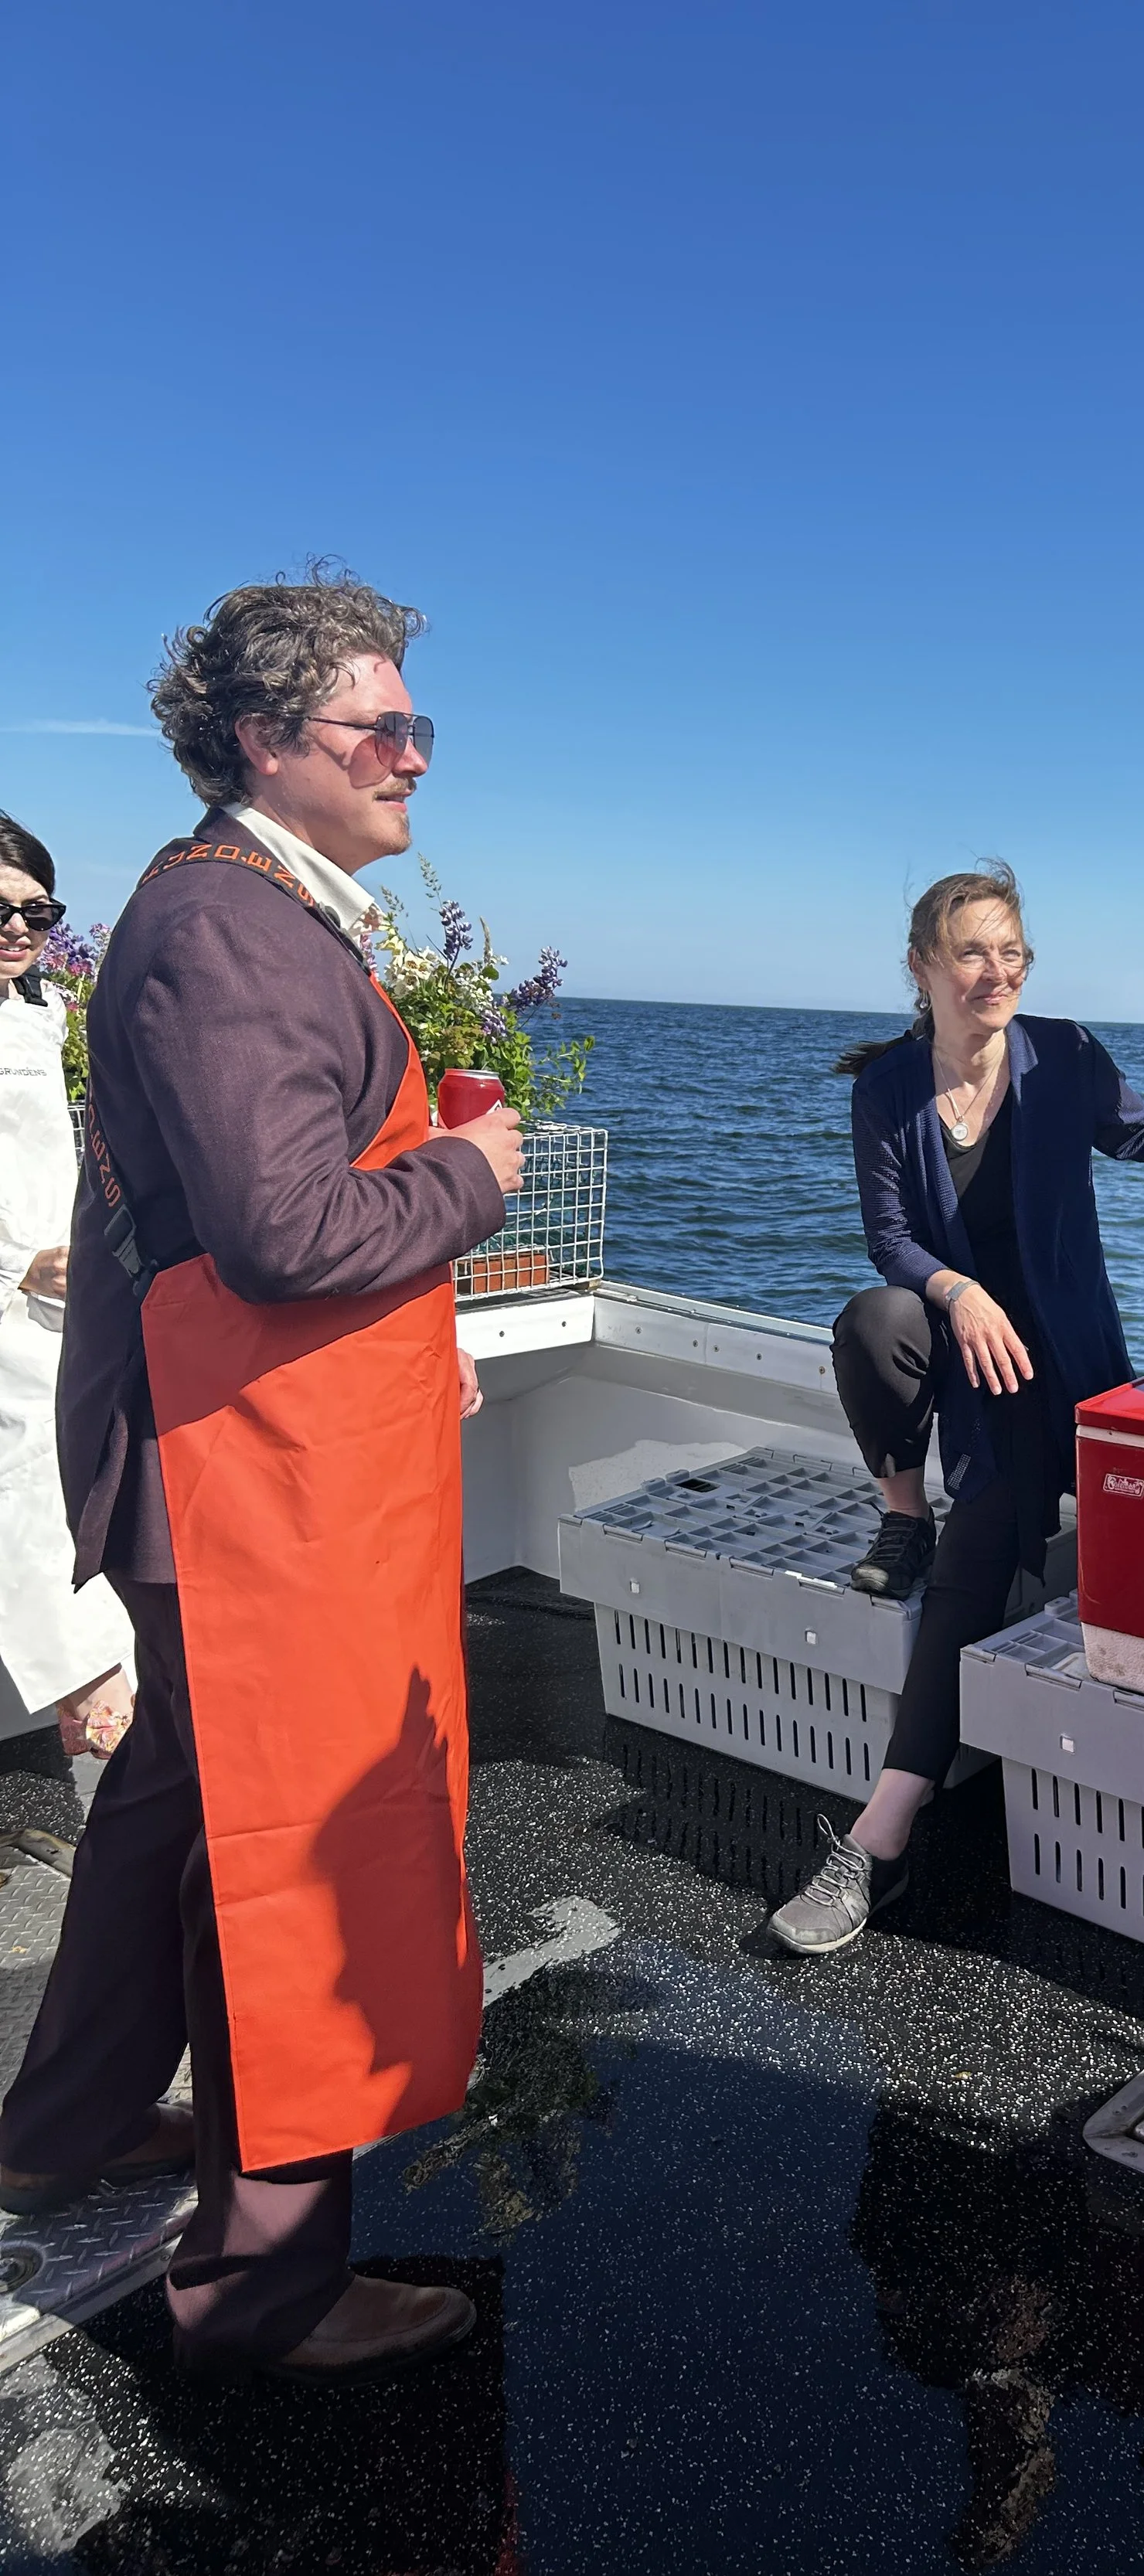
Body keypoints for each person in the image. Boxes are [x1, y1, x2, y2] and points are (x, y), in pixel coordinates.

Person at [0, 568, 526, 2384]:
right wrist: (482, 1171)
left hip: (225, 1465)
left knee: (168, 1803)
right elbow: (291, 1228)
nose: (411, 760)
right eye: (376, 727)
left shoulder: (241, 912)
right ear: (260, 741)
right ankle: (265, 2290)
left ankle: (62, 2118)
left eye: (414, 726)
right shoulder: (229, 929)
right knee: (291, 1857)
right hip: (245, 1492)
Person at [768, 866, 1144, 1955]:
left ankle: (881, 1832)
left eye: (1011, 950)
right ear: (922, 967)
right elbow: (891, 1239)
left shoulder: (1061, 1054)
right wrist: (959, 1291)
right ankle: (901, 1514)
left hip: (1055, 1366)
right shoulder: (886, 1086)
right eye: (972, 951)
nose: (997, 971)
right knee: (873, 1322)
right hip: (957, 1340)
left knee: (990, 1532)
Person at [0, 815, 135, 1758]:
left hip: (59, 1275)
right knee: (29, 1458)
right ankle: (86, 1683)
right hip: (14, 1282)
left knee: (82, 1452)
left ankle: (99, 1673)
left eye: (37, 912)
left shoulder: (40, 1009)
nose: (18, 930)